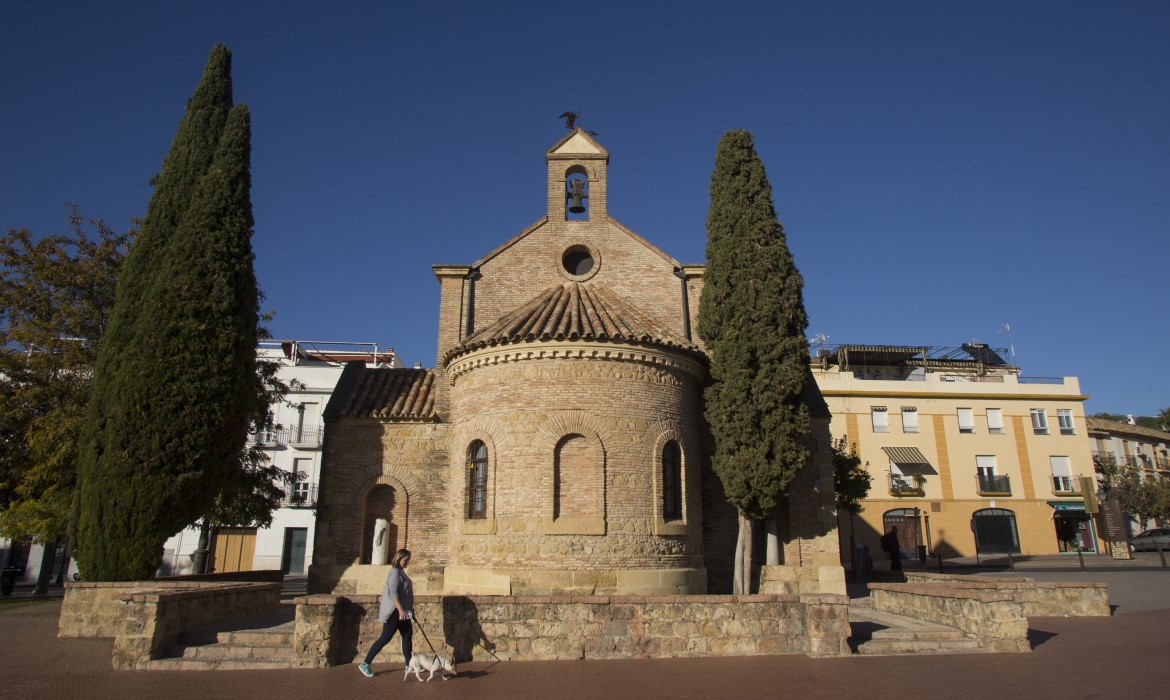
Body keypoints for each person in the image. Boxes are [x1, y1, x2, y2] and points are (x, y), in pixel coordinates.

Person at [358, 548, 414, 677]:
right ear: (399, 559)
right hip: (394, 612)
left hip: (403, 612)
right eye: (405, 560)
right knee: (385, 637)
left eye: (408, 560)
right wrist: (400, 610)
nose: (407, 563)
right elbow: (393, 594)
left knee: (407, 636)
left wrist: (409, 610)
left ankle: (409, 664)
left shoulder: (401, 572)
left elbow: (405, 594)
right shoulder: (394, 572)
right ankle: (366, 663)